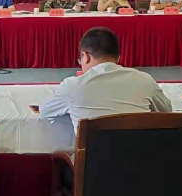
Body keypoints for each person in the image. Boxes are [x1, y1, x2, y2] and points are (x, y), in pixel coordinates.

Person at [40, 27, 172, 134]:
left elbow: (45, 111)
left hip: (92, 160)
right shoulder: (145, 80)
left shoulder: (72, 86)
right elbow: (166, 111)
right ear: (118, 58)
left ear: (85, 56)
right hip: (139, 158)